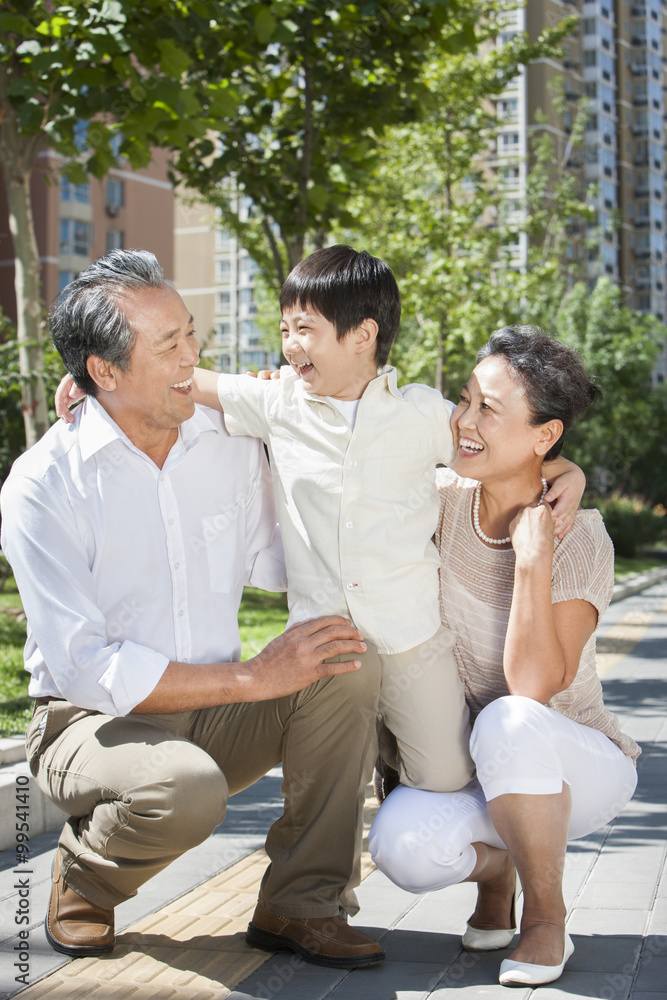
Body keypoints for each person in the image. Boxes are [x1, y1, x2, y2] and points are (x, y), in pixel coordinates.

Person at [1, 249, 386, 970]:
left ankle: (301, 903)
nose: (194, 357)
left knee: (344, 661)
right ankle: (85, 877)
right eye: (169, 345)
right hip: (87, 723)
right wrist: (252, 680)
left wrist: (287, 434)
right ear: (103, 372)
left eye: (191, 334)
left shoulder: (229, 442)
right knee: (183, 788)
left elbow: (284, 565)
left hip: (212, 714)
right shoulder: (44, 484)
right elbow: (85, 669)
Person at [163, 246, 584, 795]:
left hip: (412, 635)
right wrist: (93, 384)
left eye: (305, 329)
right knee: (324, 784)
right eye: (285, 328)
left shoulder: (422, 412)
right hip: (322, 641)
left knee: (446, 776)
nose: (290, 344)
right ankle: (360, 764)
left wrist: (568, 468)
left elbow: (497, 447)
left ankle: (391, 749)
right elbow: (185, 383)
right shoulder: (276, 402)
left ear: (362, 336)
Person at [368, 326, 640, 988]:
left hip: (574, 762)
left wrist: (532, 557)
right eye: (464, 399)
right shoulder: (438, 500)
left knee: (509, 720)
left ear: (543, 436)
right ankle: (498, 873)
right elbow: (351, 477)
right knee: (400, 849)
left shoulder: (580, 539)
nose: (462, 419)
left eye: (487, 408)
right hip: (475, 767)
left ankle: (544, 920)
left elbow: (533, 685)